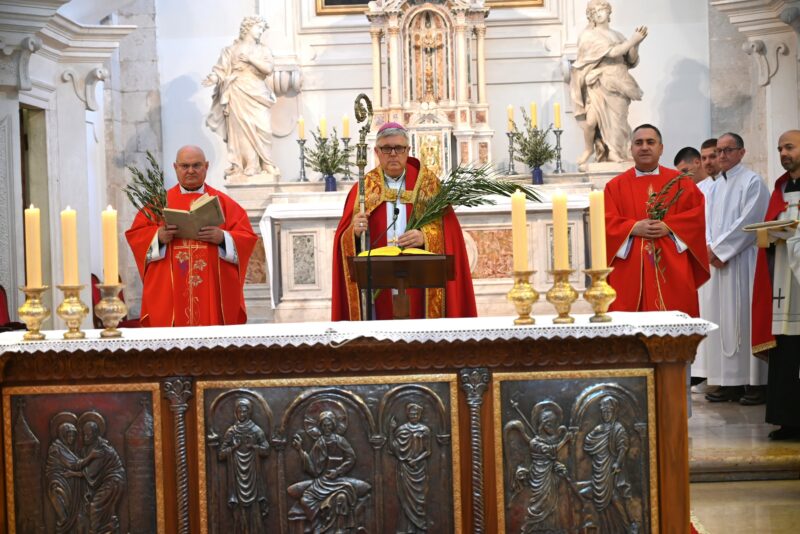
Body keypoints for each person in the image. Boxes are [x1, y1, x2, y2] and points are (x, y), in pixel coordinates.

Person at [331, 122, 477, 320]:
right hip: (377, 286)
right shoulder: (362, 190)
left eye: (399, 148)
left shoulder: (428, 185)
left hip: (420, 285)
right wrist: (354, 233)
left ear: (408, 150)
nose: (393, 154)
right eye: (386, 148)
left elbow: (451, 235)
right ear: (376, 151)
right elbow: (343, 240)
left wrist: (425, 237)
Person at [126, 145, 258, 327]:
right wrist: (158, 237)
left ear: (206, 166)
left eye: (196, 165)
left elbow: (247, 239)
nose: (190, 171)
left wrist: (222, 238)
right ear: (175, 167)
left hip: (211, 291)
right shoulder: (158, 203)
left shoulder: (224, 203)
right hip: (171, 294)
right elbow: (136, 236)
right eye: (184, 166)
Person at [604, 124, 710, 316]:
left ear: (661, 148)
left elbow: (696, 217)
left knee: (675, 324)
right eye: (639, 143)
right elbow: (605, 222)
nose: (644, 147)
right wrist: (632, 227)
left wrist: (670, 227)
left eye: (650, 142)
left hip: (672, 267)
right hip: (630, 270)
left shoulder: (681, 182)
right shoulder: (615, 187)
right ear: (631, 149)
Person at [703, 133, 770, 404]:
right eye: (719, 150)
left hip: (744, 261)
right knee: (721, 320)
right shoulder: (714, 187)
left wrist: (721, 250)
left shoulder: (753, 182)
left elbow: (751, 221)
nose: (722, 155)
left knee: (745, 319)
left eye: (728, 150)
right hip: (717, 263)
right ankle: (728, 382)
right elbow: (705, 223)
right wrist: (710, 248)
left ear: (742, 152)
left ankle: (756, 383)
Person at [751, 129, 800, 439]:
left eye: (790, 147)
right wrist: (769, 235)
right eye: (780, 148)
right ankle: (788, 420)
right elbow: (766, 238)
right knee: (786, 350)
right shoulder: (779, 190)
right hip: (783, 279)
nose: (783, 153)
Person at [570, 0, 647, 168]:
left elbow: (631, 59)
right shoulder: (589, 36)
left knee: (618, 121)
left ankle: (615, 152)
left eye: (601, 10)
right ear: (590, 16)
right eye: (594, 12)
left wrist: (637, 44)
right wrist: (633, 40)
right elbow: (613, 52)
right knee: (591, 121)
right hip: (599, 83)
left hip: (619, 81)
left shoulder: (618, 35)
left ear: (609, 12)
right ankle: (588, 149)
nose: (598, 14)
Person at [203, 16, 279, 177]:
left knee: (264, 128)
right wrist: (214, 78)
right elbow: (221, 70)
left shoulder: (264, 50)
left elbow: (268, 69)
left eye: (262, 29)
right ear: (248, 27)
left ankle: (267, 162)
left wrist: (251, 59)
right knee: (242, 130)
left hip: (258, 91)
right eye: (259, 27)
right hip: (237, 90)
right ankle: (251, 164)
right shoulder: (230, 50)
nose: (261, 31)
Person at [289, 411, 371, 531]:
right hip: (322, 481)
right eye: (324, 425)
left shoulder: (340, 440)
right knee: (305, 500)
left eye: (329, 425)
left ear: (333, 425)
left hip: (339, 480)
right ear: (320, 426)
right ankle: (318, 524)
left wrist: (337, 471)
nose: (327, 428)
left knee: (341, 498)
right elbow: (312, 468)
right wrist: (300, 450)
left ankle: (339, 529)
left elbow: (351, 458)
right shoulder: (319, 443)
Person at [692, 139, 723, 395]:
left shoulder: (743, 183)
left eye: (713, 156)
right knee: (708, 317)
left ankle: (725, 377)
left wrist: (717, 248)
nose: (709, 162)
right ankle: (709, 374)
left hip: (725, 258)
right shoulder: (699, 189)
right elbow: (698, 224)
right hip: (706, 258)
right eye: (705, 158)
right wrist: (706, 247)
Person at [582, 396, 635, 533]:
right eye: (604, 412)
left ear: (614, 412)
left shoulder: (618, 428)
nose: (606, 414)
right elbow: (587, 443)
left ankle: (629, 525)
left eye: (608, 411)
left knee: (615, 497)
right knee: (600, 501)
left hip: (611, 467)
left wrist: (617, 463)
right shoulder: (599, 428)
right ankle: (607, 528)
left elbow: (623, 447)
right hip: (599, 468)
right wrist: (596, 432)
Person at [218, 397, 270, 532]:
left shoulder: (256, 430)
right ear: (236, 412)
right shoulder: (231, 431)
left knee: (254, 508)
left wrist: (254, 446)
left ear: (249, 412)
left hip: (253, 474)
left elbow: (266, 450)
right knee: (239, 510)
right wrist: (233, 448)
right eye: (239, 411)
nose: (242, 414)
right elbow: (221, 454)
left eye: (245, 411)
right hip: (237, 475)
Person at [78, 415, 126, 534]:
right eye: (84, 434)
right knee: (107, 510)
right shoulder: (91, 447)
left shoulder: (102, 449)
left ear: (95, 434)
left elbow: (90, 473)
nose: (85, 437)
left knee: (95, 507)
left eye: (88, 434)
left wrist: (71, 473)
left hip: (113, 480)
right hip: (107, 481)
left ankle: (94, 531)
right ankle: (110, 528)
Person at [390, 403, 432, 533]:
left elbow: (428, 451)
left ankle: (420, 528)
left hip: (419, 468)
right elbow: (394, 448)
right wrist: (391, 431)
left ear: (420, 415)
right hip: (405, 468)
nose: (414, 416)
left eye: (416, 414)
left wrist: (416, 460)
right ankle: (407, 529)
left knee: (419, 499)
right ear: (408, 414)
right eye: (412, 413)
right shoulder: (401, 430)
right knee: (405, 499)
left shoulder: (424, 430)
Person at [45, 417, 84, 533]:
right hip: (60, 485)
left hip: (72, 486)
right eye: (69, 436)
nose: (71, 438)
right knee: (65, 517)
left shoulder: (68, 449)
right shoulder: (57, 448)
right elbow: (72, 464)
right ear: (62, 435)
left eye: (73, 436)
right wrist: (91, 457)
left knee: (75, 516)